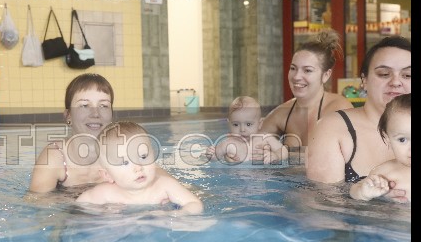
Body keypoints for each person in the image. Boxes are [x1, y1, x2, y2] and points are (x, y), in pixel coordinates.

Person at [306, 36, 411, 201]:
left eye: (408, 75)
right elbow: (322, 205)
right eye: (384, 74)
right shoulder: (333, 129)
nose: (396, 82)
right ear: (364, 81)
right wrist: (374, 200)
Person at [76, 121, 204, 215]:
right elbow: (77, 210)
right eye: (125, 163)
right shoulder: (105, 193)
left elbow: (195, 204)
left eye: (143, 156)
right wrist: (103, 213)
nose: (138, 168)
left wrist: (176, 215)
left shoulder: (165, 186)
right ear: (107, 175)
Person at [258, 29, 353, 150]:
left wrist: (284, 153)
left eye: (307, 70)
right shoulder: (281, 114)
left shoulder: (339, 109)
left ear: (326, 75)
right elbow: (251, 146)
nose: (297, 77)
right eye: (293, 68)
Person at [29, 73, 115, 193]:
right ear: (68, 115)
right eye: (84, 105)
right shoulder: (55, 157)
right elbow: (37, 201)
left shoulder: (122, 154)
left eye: (104, 106)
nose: (95, 113)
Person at [349, 93, 410, 202]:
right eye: (402, 140)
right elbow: (355, 189)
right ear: (388, 139)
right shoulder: (385, 172)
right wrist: (363, 193)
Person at [205, 96, 288, 164]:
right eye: (236, 124)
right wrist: (210, 154)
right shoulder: (228, 143)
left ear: (259, 124)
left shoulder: (265, 138)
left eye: (248, 124)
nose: (242, 130)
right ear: (229, 124)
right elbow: (214, 158)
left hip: (261, 176)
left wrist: (276, 156)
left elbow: (283, 151)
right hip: (237, 177)